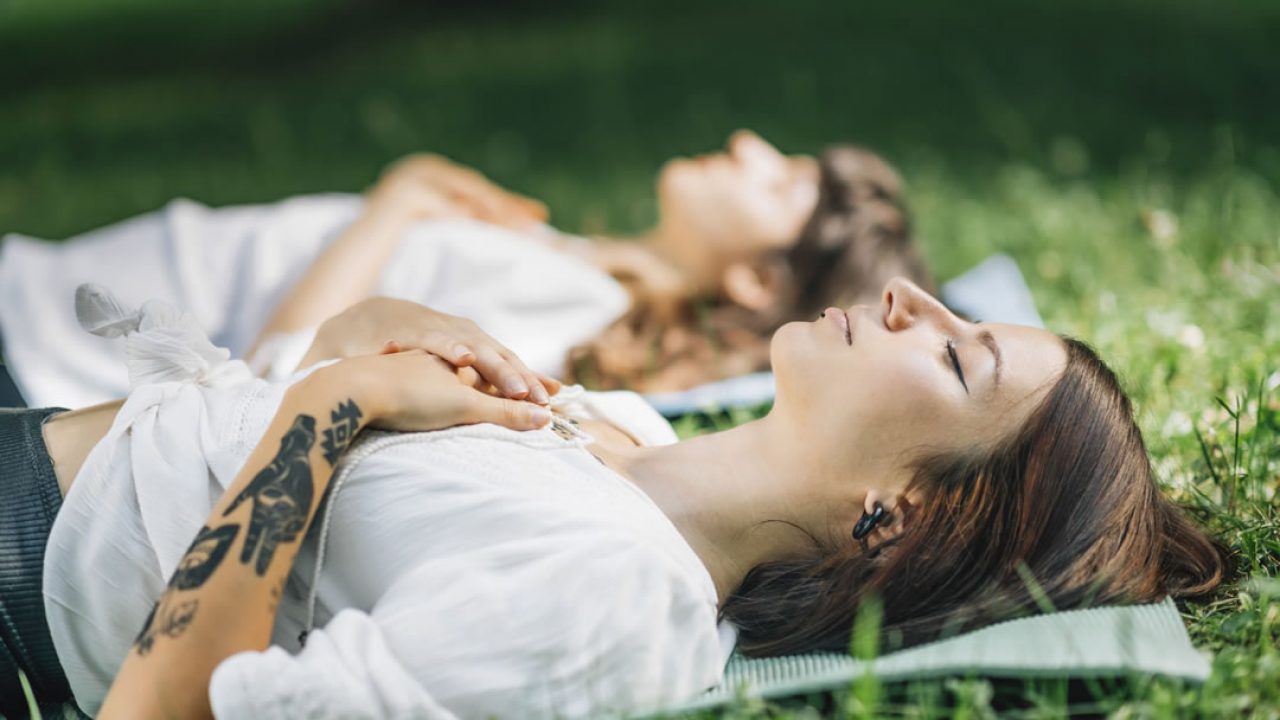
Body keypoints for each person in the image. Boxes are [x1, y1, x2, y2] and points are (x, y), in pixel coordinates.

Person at [2, 278, 1223, 719]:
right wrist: (359, 344)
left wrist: (327, 412)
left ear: (896, 512)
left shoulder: (612, 602)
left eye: (957, 358)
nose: (909, 294)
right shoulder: (620, 431)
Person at [0, 130, 931, 409]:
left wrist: (395, 201)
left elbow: (276, 376)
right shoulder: (573, 263)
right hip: (41, 301)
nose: (748, 144)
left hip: (44, 355)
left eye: (781, 183)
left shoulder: (572, 309)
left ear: (758, 286)